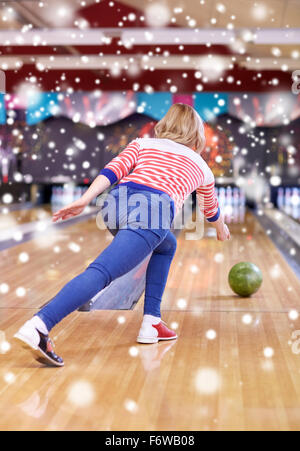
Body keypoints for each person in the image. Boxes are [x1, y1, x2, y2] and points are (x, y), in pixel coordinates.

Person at [14, 103, 230, 367]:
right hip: (151, 213)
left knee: (166, 246)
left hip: (114, 206)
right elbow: (210, 209)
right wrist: (221, 227)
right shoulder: (202, 167)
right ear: (197, 134)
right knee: (101, 273)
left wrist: (84, 200)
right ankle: (39, 326)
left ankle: (152, 322)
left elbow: (112, 171)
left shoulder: (143, 144)